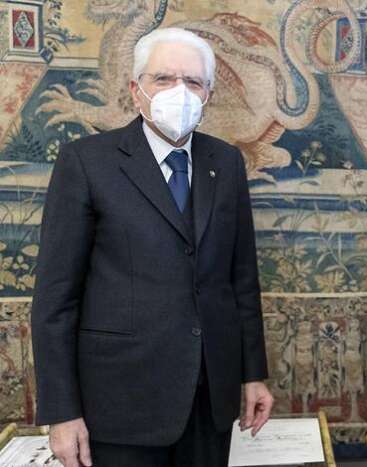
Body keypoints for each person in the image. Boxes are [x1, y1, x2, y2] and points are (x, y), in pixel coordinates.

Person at [31, 27, 273, 467]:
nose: (179, 91)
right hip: (119, 402)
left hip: (209, 399)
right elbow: (55, 299)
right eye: (163, 79)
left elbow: (241, 280)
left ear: (208, 94)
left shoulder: (226, 162)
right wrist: (61, 412)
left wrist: (253, 373)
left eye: (193, 81)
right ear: (135, 89)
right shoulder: (86, 162)